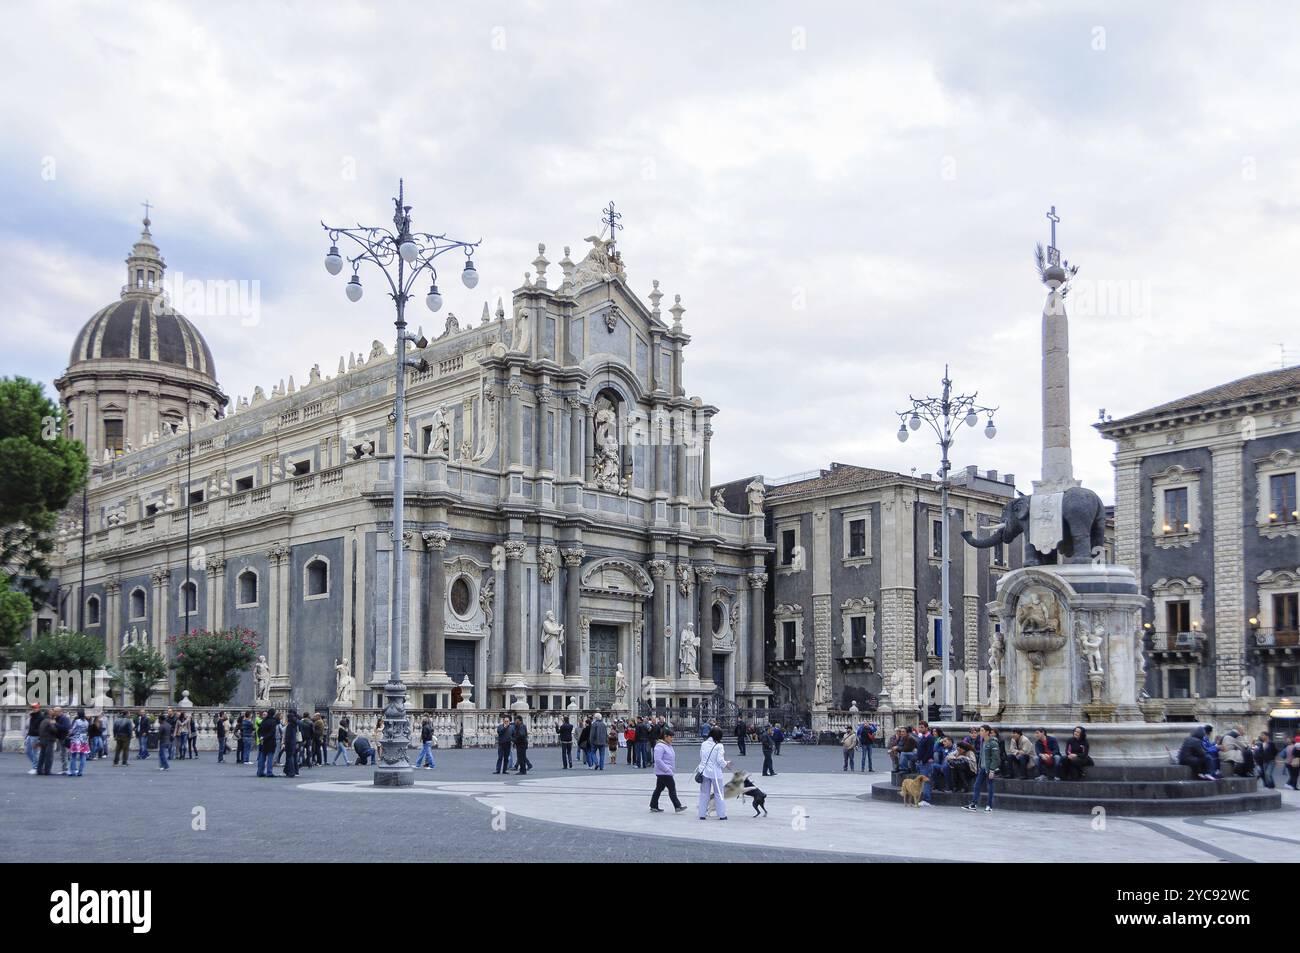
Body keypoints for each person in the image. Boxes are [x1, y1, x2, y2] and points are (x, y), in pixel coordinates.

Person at [696, 726, 731, 820]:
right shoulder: (719, 746)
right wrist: (726, 764)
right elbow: (720, 760)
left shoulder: (703, 744)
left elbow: (702, 757)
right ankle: (722, 815)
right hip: (715, 773)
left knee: (704, 793)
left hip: (704, 771)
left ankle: (702, 814)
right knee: (718, 793)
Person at [963, 724, 1000, 813]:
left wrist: (992, 770)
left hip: (989, 769)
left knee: (990, 787)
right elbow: (982, 756)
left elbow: (995, 758)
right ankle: (974, 804)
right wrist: (979, 766)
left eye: (982, 730)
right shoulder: (983, 741)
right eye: (980, 730)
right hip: (982, 768)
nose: (980, 732)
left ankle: (989, 806)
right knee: (976, 785)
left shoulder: (993, 742)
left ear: (987, 732)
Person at [650, 727, 686, 813]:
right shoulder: (660, 746)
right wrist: (667, 769)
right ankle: (677, 806)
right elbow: (658, 760)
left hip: (664, 771)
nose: (672, 739)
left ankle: (653, 805)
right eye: (671, 737)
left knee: (659, 788)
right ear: (665, 736)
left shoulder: (667, 745)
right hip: (664, 772)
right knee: (672, 788)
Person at [67, 708, 90, 777]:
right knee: (83, 756)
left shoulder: (77, 721)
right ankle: (80, 771)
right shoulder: (86, 722)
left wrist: (69, 733)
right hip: (84, 739)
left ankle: (72, 771)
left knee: (73, 756)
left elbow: (73, 730)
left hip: (76, 739)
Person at [257, 709, 278, 777]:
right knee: (270, 758)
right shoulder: (273, 721)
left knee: (262, 757)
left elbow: (259, 730)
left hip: (263, 741)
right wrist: (265, 737)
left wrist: (261, 737)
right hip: (270, 741)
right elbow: (272, 732)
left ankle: (260, 772)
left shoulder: (264, 720)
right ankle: (269, 772)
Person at [37, 709, 58, 775]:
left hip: (42, 739)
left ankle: (39, 770)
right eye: (51, 712)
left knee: (42, 755)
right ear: (49, 714)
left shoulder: (43, 721)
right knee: (49, 756)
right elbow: (54, 730)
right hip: (49, 740)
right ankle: (47, 770)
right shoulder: (50, 721)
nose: (53, 713)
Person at [24, 703, 43, 774]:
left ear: (38, 708)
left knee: (35, 752)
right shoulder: (32, 715)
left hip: (36, 736)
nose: (33, 709)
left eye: (35, 708)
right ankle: (37, 765)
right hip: (30, 735)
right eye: (32, 708)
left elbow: (41, 728)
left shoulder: (41, 716)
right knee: (28, 751)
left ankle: (35, 767)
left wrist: (39, 737)